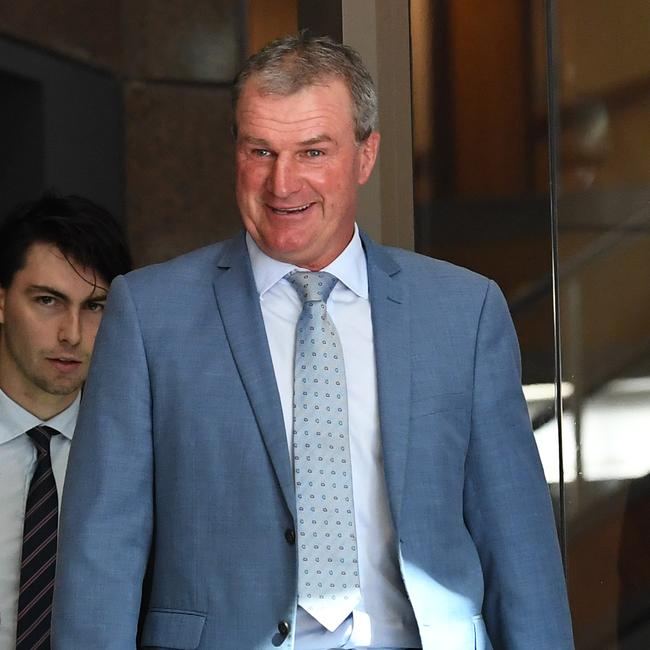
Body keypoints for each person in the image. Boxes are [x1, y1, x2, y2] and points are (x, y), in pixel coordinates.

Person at [52, 34, 574, 649]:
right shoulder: (148, 316)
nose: (283, 183)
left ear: (366, 154)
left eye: (313, 151)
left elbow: (519, 544)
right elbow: (101, 554)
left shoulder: (464, 312)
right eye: (260, 150)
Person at [0, 192, 132, 650]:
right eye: (48, 301)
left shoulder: (135, 460)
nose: (71, 334)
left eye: (94, 306)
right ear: (1, 302)